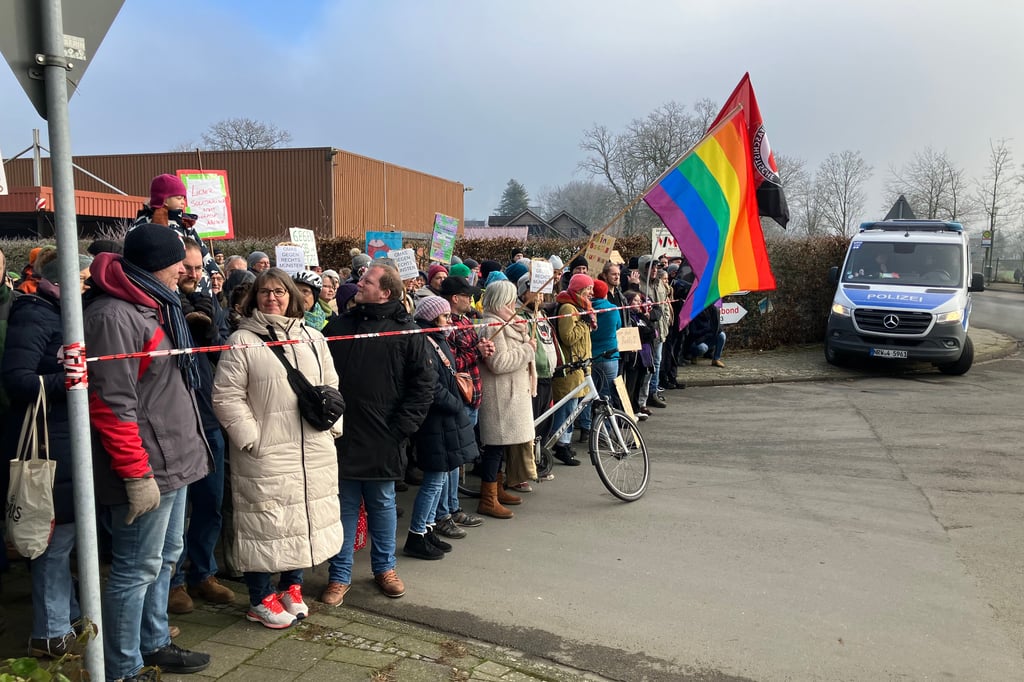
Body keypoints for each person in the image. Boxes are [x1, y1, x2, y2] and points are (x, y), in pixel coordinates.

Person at [83, 223, 212, 681]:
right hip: (148, 467)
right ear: (157, 262)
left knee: (164, 556)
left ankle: (153, 642)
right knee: (135, 569)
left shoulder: (153, 304)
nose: (184, 269)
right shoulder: (114, 316)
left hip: (173, 461)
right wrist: (136, 474)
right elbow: (111, 404)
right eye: (179, 260)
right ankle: (122, 667)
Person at [212, 268, 344, 629]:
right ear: (255, 297)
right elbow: (226, 396)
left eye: (280, 292)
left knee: (302, 518)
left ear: (293, 297)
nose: (273, 298)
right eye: (266, 292)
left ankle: (292, 586)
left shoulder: (314, 337)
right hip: (267, 452)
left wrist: (334, 428)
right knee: (265, 523)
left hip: (313, 446)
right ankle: (259, 597)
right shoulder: (242, 341)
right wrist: (252, 439)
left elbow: (331, 383)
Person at [322, 264, 436, 604]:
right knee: (343, 507)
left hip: (384, 436)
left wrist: (402, 428)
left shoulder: (407, 332)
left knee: (382, 504)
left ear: (385, 292)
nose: (359, 284)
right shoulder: (339, 325)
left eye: (367, 281)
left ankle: (384, 568)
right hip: (342, 434)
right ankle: (339, 575)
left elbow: (424, 386)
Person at [2, 249, 92, 658]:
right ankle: (50, 632)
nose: (90, 286)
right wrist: (72, 380)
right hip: (46, 446)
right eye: (84, 279)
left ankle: (68, 616)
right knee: (52, 540)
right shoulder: (34, 314)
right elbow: (18, 380)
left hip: (63, 441)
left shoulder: (57, 313)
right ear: (61, 281)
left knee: (68, 535)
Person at [167, 240, 235, 617]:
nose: (193, 275)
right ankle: (175, 580)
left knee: (210, 501)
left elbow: (224, 350)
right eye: (186, 268)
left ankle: (203, 572)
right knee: (180, 508)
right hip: (177, 415)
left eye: (197, 269)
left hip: (208, 413)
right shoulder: (163, 302)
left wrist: (211, 334)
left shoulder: (213, 302)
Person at [406, 296, 479, 556]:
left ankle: (427, 529)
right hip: (435, 420)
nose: (449, 321)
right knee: (434, 481)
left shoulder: (437, 339)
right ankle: (417, 533)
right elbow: (431, 385)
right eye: (445, 317)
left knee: (439, 479)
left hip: (444, 419)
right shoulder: (425, 342)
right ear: (433, 317)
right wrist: (455, 402)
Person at [477, 280, 537, 517]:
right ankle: (488, 497)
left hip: (510, 393)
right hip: (501, 396)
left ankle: (497, 489)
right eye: (510, 298)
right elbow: (498, 363)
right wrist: (527, 350)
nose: (514, 303)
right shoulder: (493, 325)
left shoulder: (508, 323)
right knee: (494, 447)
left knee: (500, 448)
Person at [132, 174, 218, 288]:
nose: (183, 202)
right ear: (165, 200)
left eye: (183, 198)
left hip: (193, 278)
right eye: (179, 198)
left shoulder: (186, 223)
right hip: (166, 280)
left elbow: (201, 248)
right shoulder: (146, 224)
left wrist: (213, 270)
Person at [549, 273, 595, 466]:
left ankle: (564, 443)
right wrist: (584, 324)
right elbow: (568, 337)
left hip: (579, 366)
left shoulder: (580, 306)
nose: (591, 293)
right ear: (580, 290)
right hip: (570, 367)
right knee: (567, 409)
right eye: (588, 289)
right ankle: (560, 445)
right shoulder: (569, 307)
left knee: (573, 408)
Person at [577, 278, 620, 442]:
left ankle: (586, 428)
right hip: (610, 356)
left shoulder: (585, 308)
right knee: (606, 395)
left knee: (587, 395)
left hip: (590, 356)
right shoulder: (613, 309)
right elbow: (618, 326)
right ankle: (605, 431)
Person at [638, 256, 669, 408]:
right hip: (649, 332)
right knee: (649, 364)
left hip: (661, 330)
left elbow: (665, 305)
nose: (655, 270)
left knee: (657, 362)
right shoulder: (640, 286)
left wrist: (667, 321)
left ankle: (653, 391)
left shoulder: (660, 284)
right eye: (651, 267)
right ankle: (647, 395)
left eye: (657, 267)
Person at [686, 303, 727, 368]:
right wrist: (706, 330)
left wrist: (716, 329)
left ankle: (716, 359)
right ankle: (693, 355)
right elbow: (693, 333)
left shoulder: (713, 311)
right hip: (697, 341)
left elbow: (719, 328)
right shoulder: (694, 314)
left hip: (709, 338)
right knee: (702, 348)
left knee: (722, 335)